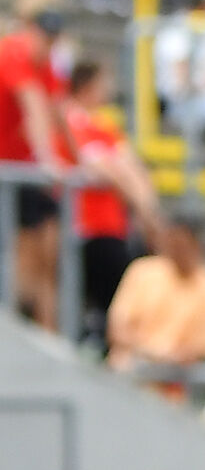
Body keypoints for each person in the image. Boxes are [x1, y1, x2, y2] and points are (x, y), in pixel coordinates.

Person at [63, 59, 161, 336]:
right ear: (87, 86)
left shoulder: (103, 125)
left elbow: (131, 166)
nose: (108, 89)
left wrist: (146, 208)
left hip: (112, 226)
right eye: (103, 83)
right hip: (87, 227)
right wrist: (145, 211)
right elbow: (108, 168)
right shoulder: (71, 120)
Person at [0, 0, 71, 329]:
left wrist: (76, 158)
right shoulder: (13, 51)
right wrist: (48, 160)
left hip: (20, 168)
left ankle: (45, 330)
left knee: (48, 251)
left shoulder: (45, 64)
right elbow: (34, 107)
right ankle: (17, 323)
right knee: (24, 253)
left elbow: (56, 112)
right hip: (11, 170)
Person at [107, 212, 205, 375]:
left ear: (197, 246)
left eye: (182, 245)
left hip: (182, 376)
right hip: (133, 367)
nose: (176, 250)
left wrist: (171, 357)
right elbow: (118, 328)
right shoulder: (142, 272)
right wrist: (149, 353)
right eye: (172, 242)